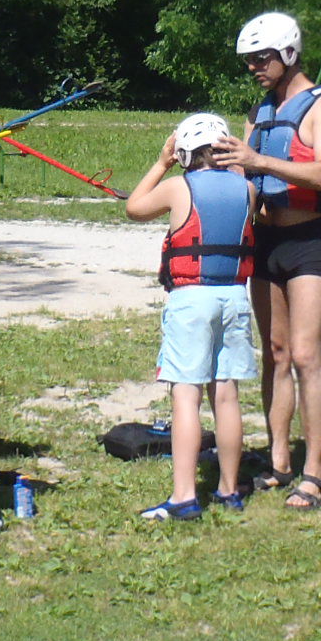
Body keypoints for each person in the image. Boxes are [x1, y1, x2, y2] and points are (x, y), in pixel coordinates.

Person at [211, 11, 321, 512]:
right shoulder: (261, 109)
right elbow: (243, 176)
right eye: (249, 60)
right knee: (275, 352)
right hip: (265, 241)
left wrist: (258, 162)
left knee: (307, 355)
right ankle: (279, 460)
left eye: (262, 58)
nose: (254, 68)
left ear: (289, 54)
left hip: (308, 239)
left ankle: (315, 472)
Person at [122, 113, 257, 522]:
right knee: (226, 393)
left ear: (184, 153)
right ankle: (229, 489)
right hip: (235, 296)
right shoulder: (249, 189)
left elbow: (134, 207)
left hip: (192, 297)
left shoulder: (179, 186)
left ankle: (184, 496)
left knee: (186, 394)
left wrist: (162, 162)